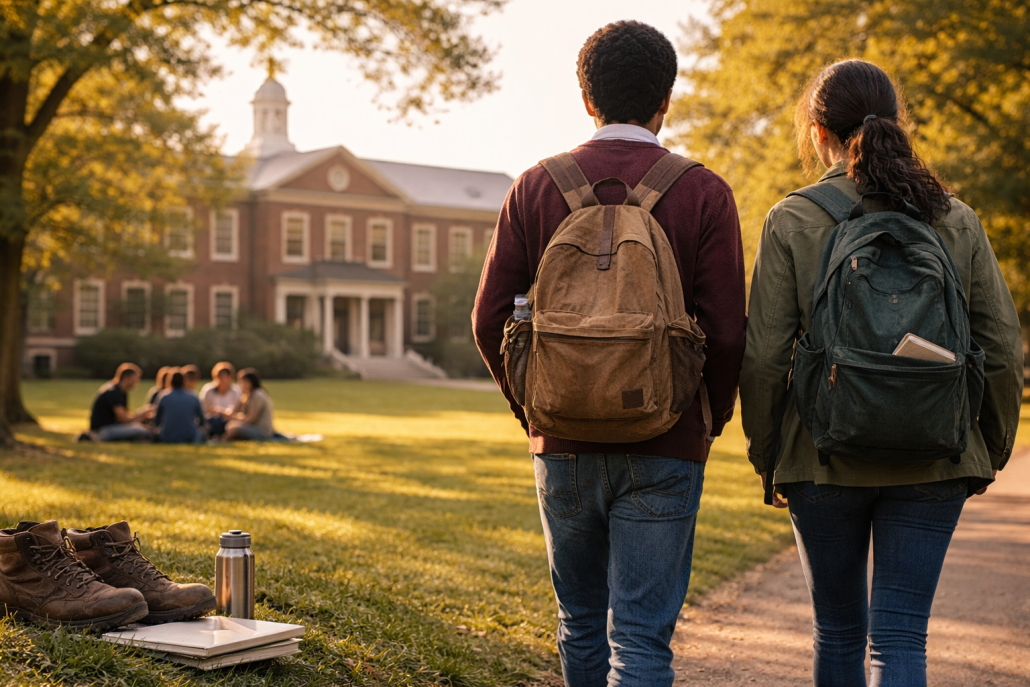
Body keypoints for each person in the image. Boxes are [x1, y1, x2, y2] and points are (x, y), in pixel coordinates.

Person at [472, 21, 746, 687]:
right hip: (666, 439)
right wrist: (708, 414)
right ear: (666, 101)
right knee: (643, 637)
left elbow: (487, 318)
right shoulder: (703, 191)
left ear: (585, 97)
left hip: (561, 437)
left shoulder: (537, 186)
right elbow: (729, 331)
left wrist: (531, 407)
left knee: (579, 622)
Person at [739, 59, 1023, 687]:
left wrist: (768, 455)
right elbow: (1001, 347)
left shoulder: (792, 219)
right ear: (900, 124)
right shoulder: (955, 218)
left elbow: (763, 356)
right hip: (934, 459)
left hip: (821, 458)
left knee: (837, 632)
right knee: (900, 636)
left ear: (819, 133)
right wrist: (987, 449)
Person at [88, 363, 153, 442]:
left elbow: (126, 416)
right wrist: (142, 413)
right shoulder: (113, 392)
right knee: (141, 430)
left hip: (110, 427)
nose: (137, 381)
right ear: (126, 378)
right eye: (135, 378)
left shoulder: (121, 391)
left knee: (141, 428)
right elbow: (125, 420)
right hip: (102, 431)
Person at [153, 371, 207, 444]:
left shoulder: (163, 396)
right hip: (190, 437)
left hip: (167, 437)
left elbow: (156, 421)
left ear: (170, 381)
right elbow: (202, 420)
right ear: (184, 381)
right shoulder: (193, 396)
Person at [225, 368, 275, 441]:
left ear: (251, 382)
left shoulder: (258, 395)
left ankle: (221, 440)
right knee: (231, 425)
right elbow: (237, 410)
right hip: (253, 427)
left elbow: (251, 419)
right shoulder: (248, 395)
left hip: (262, 431)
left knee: (233, 428)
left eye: (244, 382)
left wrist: (234, 418)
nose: (241, 385)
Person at [199, 361, 241, 438]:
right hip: (211, 421)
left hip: (229, 421)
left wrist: (220, 411)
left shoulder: (236, 391)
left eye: (226, 376)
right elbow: (204, 410)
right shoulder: (208, 390)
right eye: (221, 376)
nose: (223, 379)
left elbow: (235, 410)